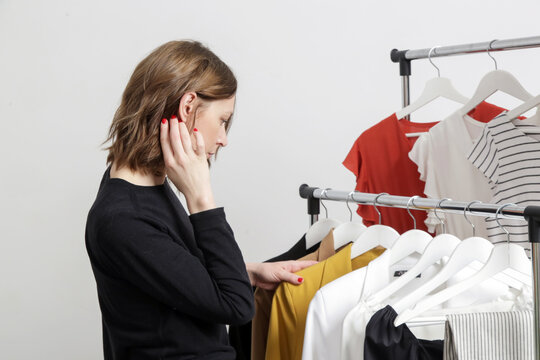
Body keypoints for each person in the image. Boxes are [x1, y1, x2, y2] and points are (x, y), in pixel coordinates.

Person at [85, 40, 316, 359]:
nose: (223, 139)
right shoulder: (123, 218)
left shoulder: (143, 187)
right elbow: (236, 307)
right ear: (188, 106)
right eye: (223, 120)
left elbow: (167, 270)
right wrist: (200, 197)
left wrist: (247, 272)